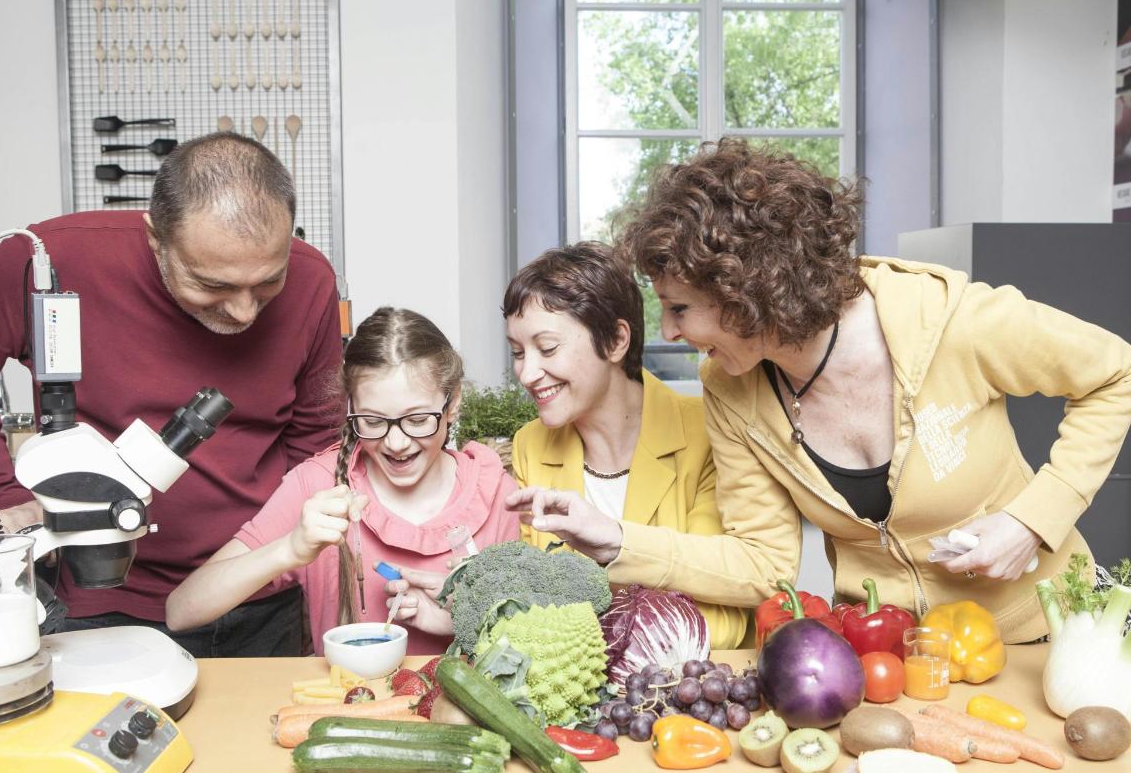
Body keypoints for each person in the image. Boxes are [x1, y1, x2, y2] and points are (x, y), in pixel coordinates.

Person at [525, 138, 1131, 643]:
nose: (671, 332)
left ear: (745, 289)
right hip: (885, 653)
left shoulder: (952, 322)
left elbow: (1115, 372)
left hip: (1046, 630)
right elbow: (762, 564)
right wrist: (616, 539)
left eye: (680, 308)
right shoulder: (729, 388)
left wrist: (1033, 519)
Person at [0, 132, 343, 656]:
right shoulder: (46, 261)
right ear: (156, 237)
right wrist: (2, 498)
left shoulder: (311, 281)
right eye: (213, 286)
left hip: (256, 597)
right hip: (101, 600)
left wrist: (275, 554)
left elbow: (315, 440)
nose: (243, 311)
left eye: (266, 283)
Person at [385, 243, 750, 649]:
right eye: (518, 352)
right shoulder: (530, 446)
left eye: (548, 348)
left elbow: (723, 621)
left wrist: (565, 625)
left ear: (615, 340)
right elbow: (531, 598)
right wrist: (477, 605)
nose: (526, 373)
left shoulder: (707, 432)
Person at [166, 307, 522, 655]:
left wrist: (463, 620)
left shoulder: (495, 495)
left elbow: (528, 645)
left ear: (453, 402)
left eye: (417, 420)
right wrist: (289, 549)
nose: (396, 443)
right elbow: (181, 611)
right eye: (371, 420)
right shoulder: (316, 487)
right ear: (350, 407)